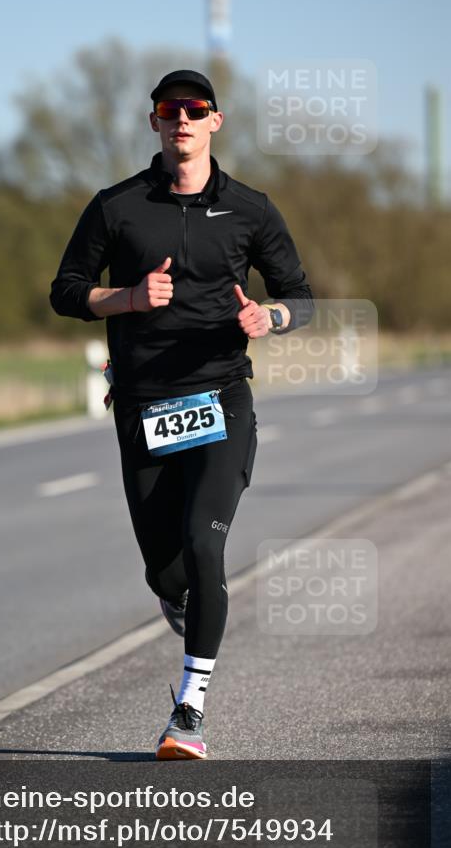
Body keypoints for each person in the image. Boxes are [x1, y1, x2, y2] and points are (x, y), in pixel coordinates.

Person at [50, 68, 314, 760]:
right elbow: (66, 290)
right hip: (143, 405)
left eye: (195, 110)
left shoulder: (251, 210)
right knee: (167, 571)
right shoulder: (117, 206)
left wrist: (271, 315)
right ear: (154, 124)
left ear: (215, 122)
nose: (183, 120)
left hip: (222, 396)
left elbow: (301, 296)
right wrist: (130, 298)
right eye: (170, 111)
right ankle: (177, 598)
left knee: (205, 544)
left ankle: (188, 712)